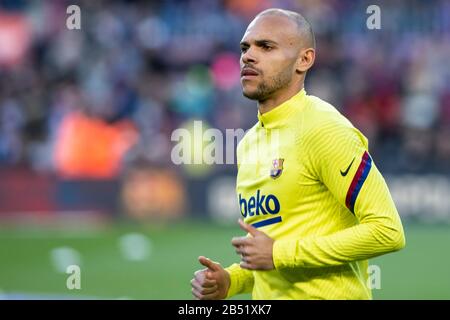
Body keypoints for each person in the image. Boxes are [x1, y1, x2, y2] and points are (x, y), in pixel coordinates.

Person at [190, 8, 405, 300]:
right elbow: (271, 255)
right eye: (245, 47)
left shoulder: (325, 128)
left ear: (304, 59)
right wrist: (232, 281)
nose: (248, 56)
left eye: (266, 46)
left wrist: (279, 253)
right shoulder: (248, 144)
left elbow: (387, 230)